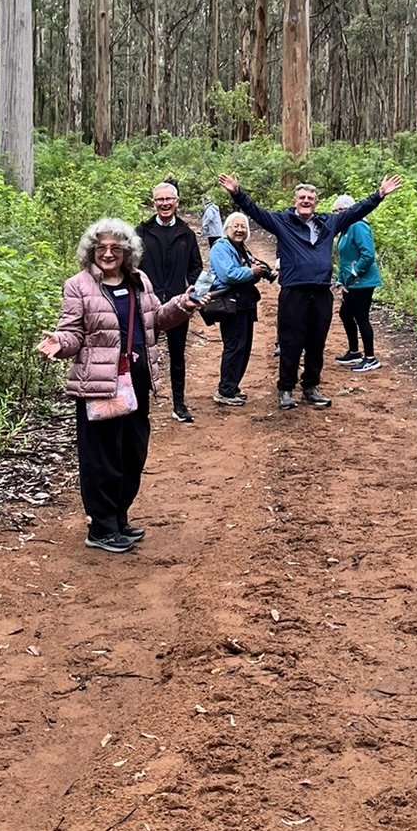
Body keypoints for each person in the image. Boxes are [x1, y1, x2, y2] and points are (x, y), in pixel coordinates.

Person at [37, 219, 201, 552]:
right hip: (98, 382)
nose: (108, 253)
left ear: (127, 251)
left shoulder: (139, 281)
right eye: (101, 248)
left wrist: (182, 305)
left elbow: (155, 319)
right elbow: (72, 332)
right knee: (102, 456)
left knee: (132, 451)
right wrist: (60, 343)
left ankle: (119, 519)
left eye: (115, 248)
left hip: (136, 378)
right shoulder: (78, 285)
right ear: (91, 251)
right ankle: (101, 527)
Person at [217, 170, 401, 408]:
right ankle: (285, 388)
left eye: (310, 199)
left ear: (316, 202)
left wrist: (379, 195)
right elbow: (256, 212)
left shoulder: (329, 222)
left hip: (321, 293)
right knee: (290, 342)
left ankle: (311, 386)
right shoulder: (283, 222)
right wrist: (237, 193)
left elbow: (357, 211)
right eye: (302, 197)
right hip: (294, 292)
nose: (306, 201)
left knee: (317, 341)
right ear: (296, 201)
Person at [136, 179, 203, 424]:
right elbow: (130, 265)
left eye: (169, 199)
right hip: (145, 304)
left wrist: (190, 292)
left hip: (177, 305)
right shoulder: (141, 232)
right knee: (140, 354)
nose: (164, 204)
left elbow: (196, 266)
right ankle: (139, 405)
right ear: (153, 203)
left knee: (177, 355)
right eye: (160, 200)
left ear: (177, 202)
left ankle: (179, 404)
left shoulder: (186, 233)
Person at [205, 210, 273, 404]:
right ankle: (224, 391)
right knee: (234, 346)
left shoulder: (241, 247)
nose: (240, 230)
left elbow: (245, 270)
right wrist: (252, 272)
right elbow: (228, 275)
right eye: (236, 226)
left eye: (243, 226)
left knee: (243, 347)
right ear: (227, 228)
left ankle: (232, 387)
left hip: (243, 303)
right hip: (230, 303)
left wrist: (261, 270)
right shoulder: (220, 247)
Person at [331, 195, 381, 372]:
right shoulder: (345, 229)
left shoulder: (358, 225)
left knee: (361, 317)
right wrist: (340, 280)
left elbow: (367, 254)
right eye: (334, 211)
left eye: (339, 211)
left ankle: (370, 357)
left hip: (363, 281)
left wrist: (353, 273)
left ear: (350, 210)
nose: (336, 214)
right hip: (351, 282)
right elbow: (345, 258)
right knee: (345, 314)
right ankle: (354, 351)